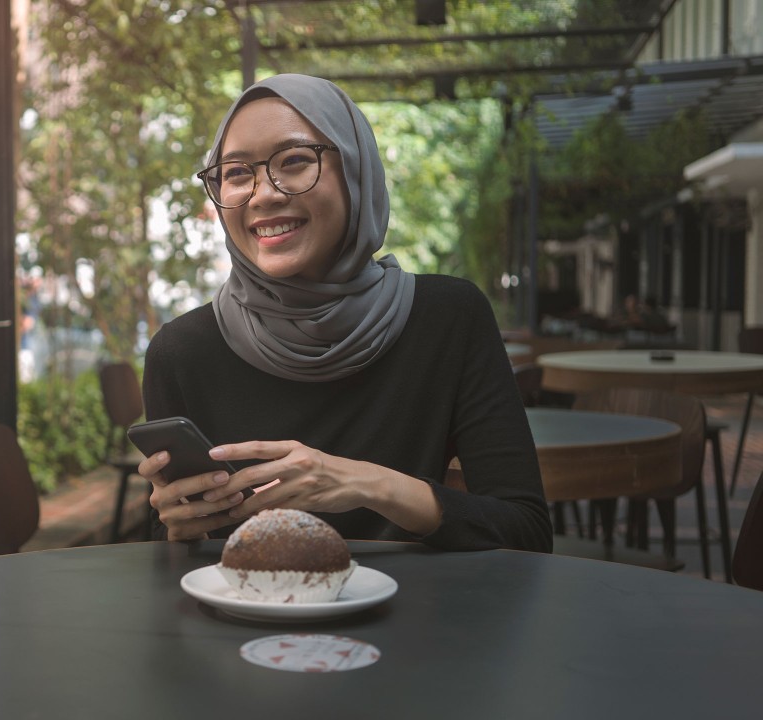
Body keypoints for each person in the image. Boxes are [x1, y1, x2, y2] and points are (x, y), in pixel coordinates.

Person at [139, 74, 552, 552]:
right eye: (235, 173)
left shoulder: (448, 319)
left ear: (356, 170)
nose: (263, 194)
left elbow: (526, 533)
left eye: (293, 161)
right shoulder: (182, 351)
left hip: (415, 619)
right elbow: (173, 558)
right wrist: (176, 526)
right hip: (245, 620)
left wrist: (366, 484)